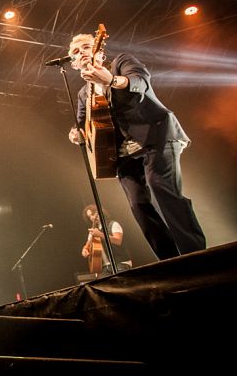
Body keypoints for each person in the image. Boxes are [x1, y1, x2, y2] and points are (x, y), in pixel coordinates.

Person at [67, 33, 206, 260]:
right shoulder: (84, 94)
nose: (81, 52)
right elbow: (82, 124)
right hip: (123, 154)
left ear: (99, 50)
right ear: (73, 64)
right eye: (75, 52)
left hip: (156, 136)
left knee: (160, 186)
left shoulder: (121, 62)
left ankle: (196, 255)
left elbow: (140, 82)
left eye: (85, 47)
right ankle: (169, 261)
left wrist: (111, 81)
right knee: (138, 205)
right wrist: (76, 133)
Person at [79, 204, 132, 275]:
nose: (92, 217)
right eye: (89, 217)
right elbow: (87, 246)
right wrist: (84, 250)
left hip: (120, 263)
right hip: (104, 267)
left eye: (93, 214)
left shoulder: (113, 224)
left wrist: (100, 234)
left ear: (99, 212)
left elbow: (118, 241)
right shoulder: (93, 231)